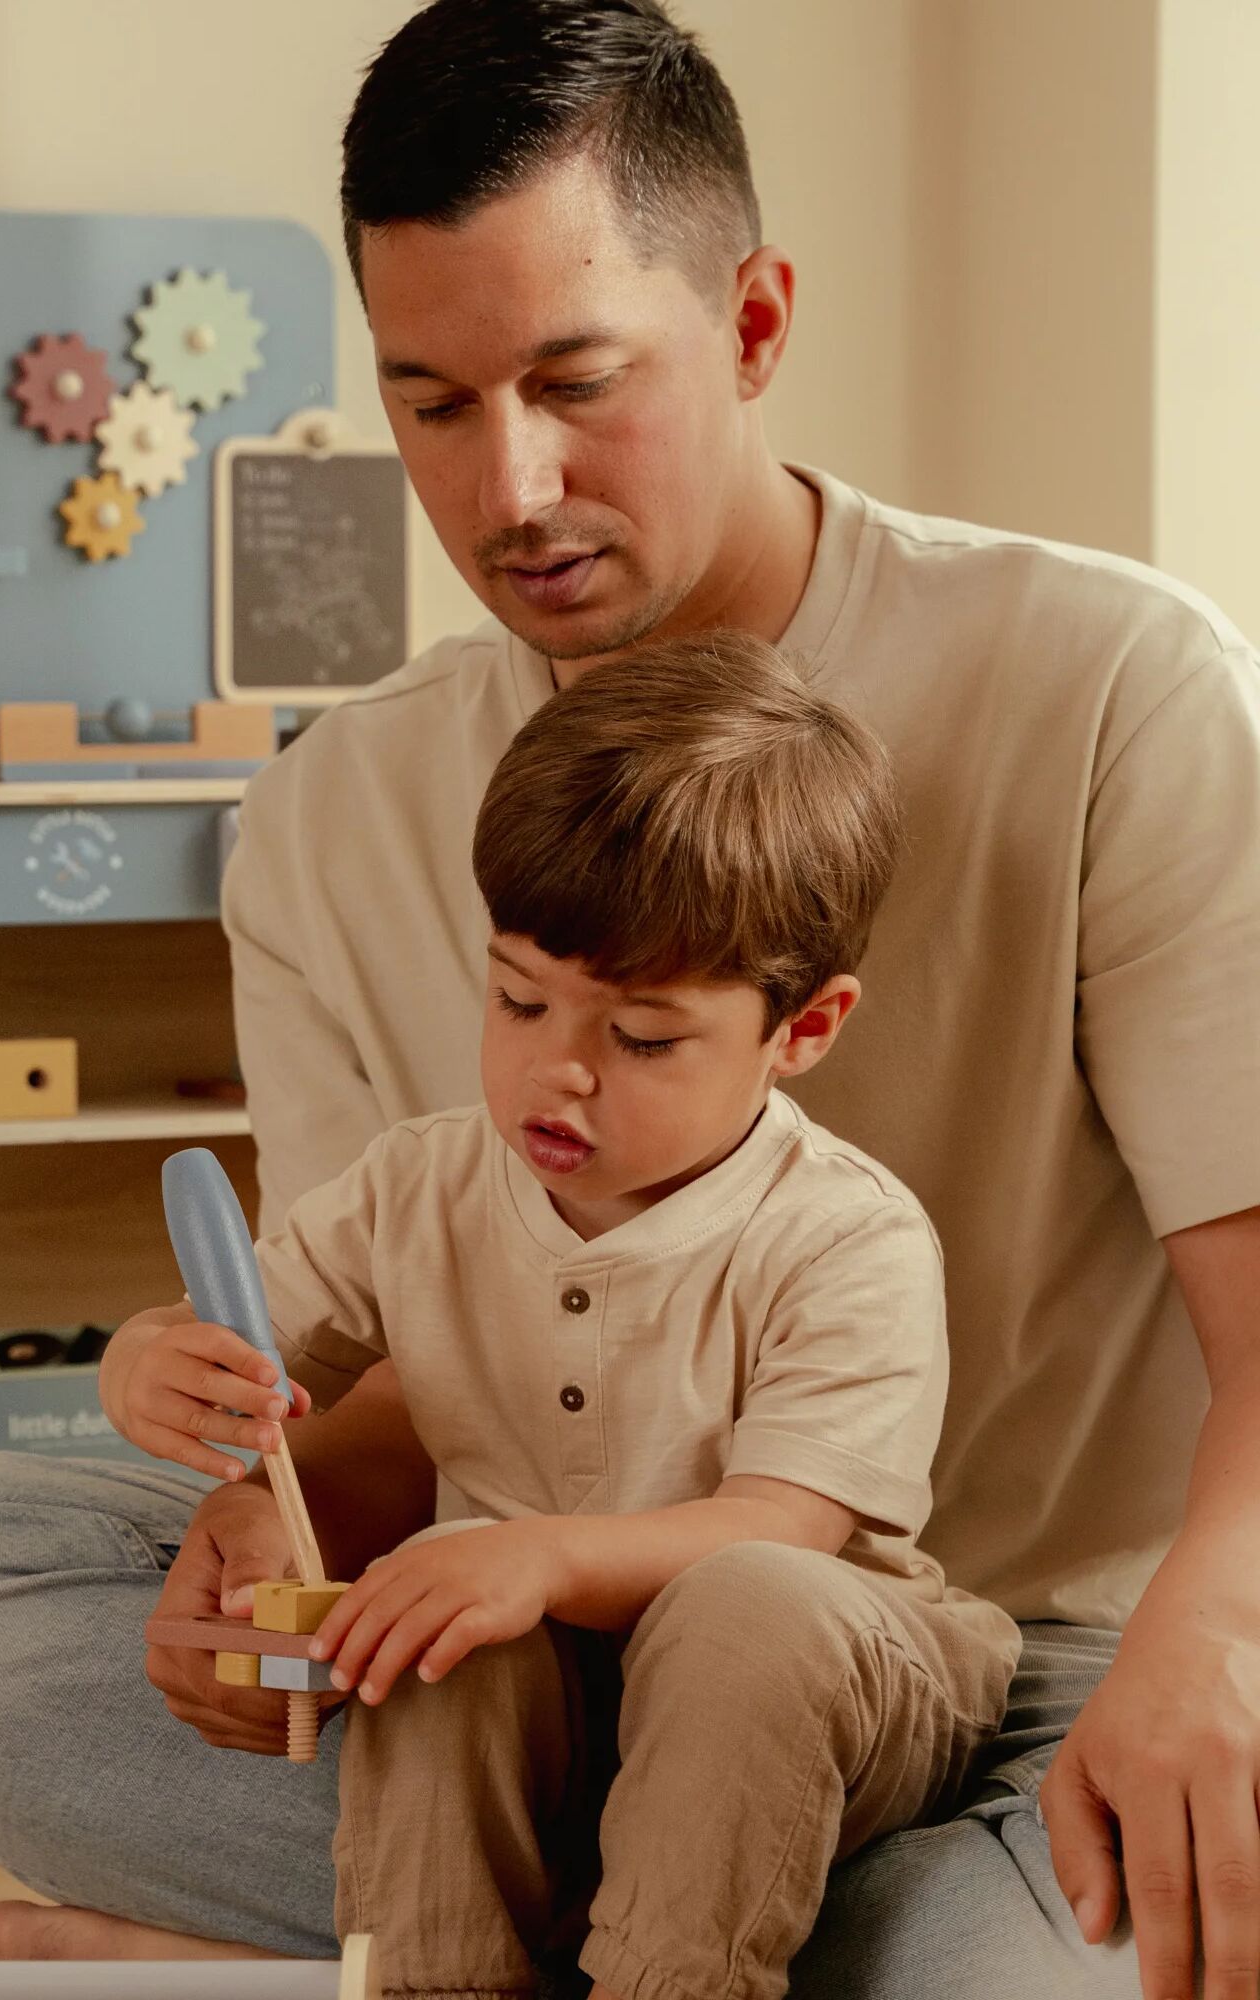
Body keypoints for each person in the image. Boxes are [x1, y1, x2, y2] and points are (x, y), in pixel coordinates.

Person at [0, 5, 1260, 1996]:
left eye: (577, 383)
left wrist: (1212, 1646)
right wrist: (263, 1524)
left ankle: (396, 1957)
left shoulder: (1112, 686)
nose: (512, 487)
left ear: (748, 328)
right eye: (434, 403)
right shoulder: (325, 815)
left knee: (1075, 1931)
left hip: (999, 1675)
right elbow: (389, 1397)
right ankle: (598, 1940)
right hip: (525, 1667)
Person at [99, 633, 1023, 2000]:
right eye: (518, 998)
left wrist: (526, 1556)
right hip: (546, 1700)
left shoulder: (844, 1234)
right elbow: (242, 1332)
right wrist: (147, 1365)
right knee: (434, 1623)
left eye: (643, 1040)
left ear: (805, 1029)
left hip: (825, 1683)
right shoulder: (422, 1183)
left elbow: (785, 1527)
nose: (557, 1072)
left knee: (736, 1603)